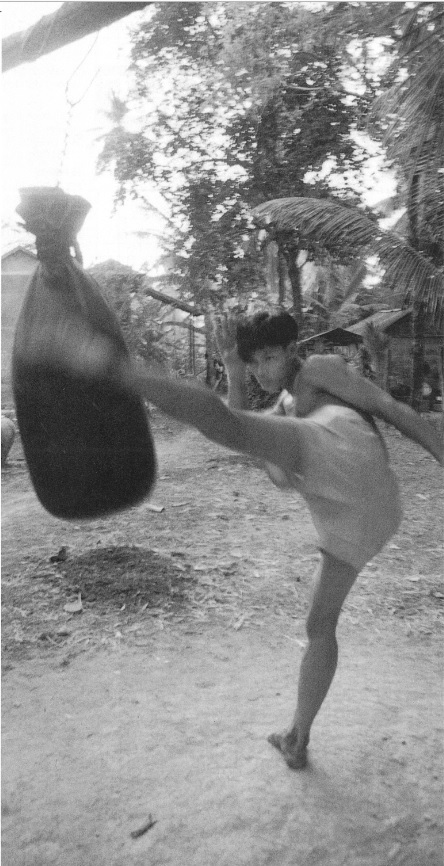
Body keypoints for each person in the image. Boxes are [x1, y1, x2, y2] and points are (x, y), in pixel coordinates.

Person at [25, 310, 443, 770]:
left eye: (269, 357)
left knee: (236, 430)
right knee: (318, 626)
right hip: (364, 514)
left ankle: (110, 367)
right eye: (254, 361)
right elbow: (236, 427)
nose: (263, 368)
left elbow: (392, 409)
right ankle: (297, 736)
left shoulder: (319, 370)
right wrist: (231, 368)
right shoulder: (285, 407)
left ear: (291, 350)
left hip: (349, 460)